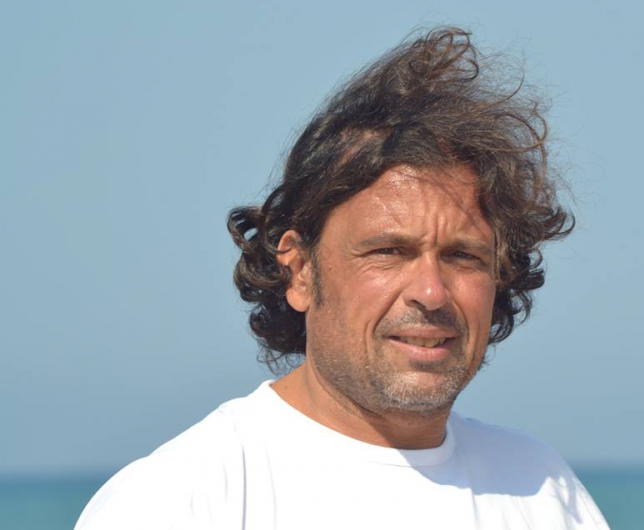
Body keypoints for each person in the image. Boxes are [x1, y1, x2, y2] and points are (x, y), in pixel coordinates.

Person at [76, 27, 610, 530]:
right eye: (388, 251)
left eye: (462, 256)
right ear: (299, 271)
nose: (430, 291)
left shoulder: (540, 488)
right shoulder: (181, 500)